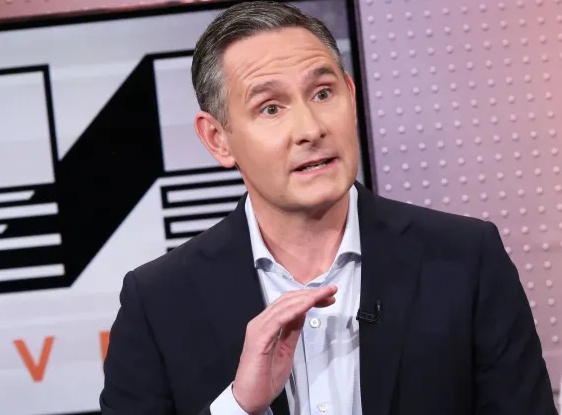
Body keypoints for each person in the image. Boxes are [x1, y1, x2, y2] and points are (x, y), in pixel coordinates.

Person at [99, 1, 557, 414]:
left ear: (350, 97)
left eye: (322, 93)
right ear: (218, 139)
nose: (310, 129)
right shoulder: (157, 304)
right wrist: (238, 408)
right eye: (271, 108)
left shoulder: (465, 259)